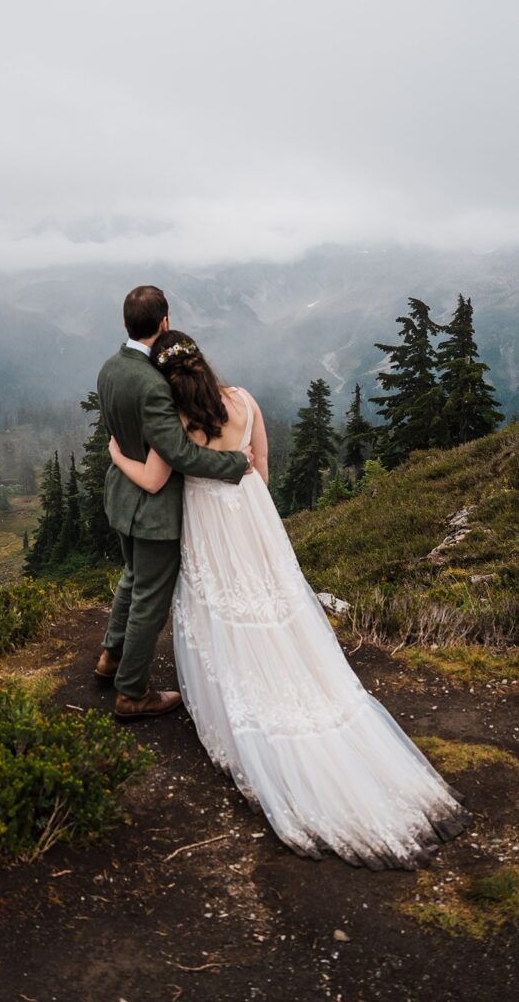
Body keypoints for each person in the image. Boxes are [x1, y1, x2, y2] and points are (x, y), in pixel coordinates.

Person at [107, 328, 472, 870]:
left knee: (222, 608)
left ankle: (236, 687)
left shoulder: (179, 425)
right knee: (274, 602)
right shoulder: (247, 400)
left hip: (210, 526)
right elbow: (263, 468)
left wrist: (117, 453)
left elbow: (162, 479)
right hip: (254, 518)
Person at [95, 286, 253, 722]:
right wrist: (236, 463)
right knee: (150, 598)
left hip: (122, 498)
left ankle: (111, 656)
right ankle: (132, 692)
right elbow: (179, 455)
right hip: (154, 510)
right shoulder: (154, 386)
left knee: (131, 579)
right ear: (164, 323)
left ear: (126, 324)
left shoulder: (110, 368)